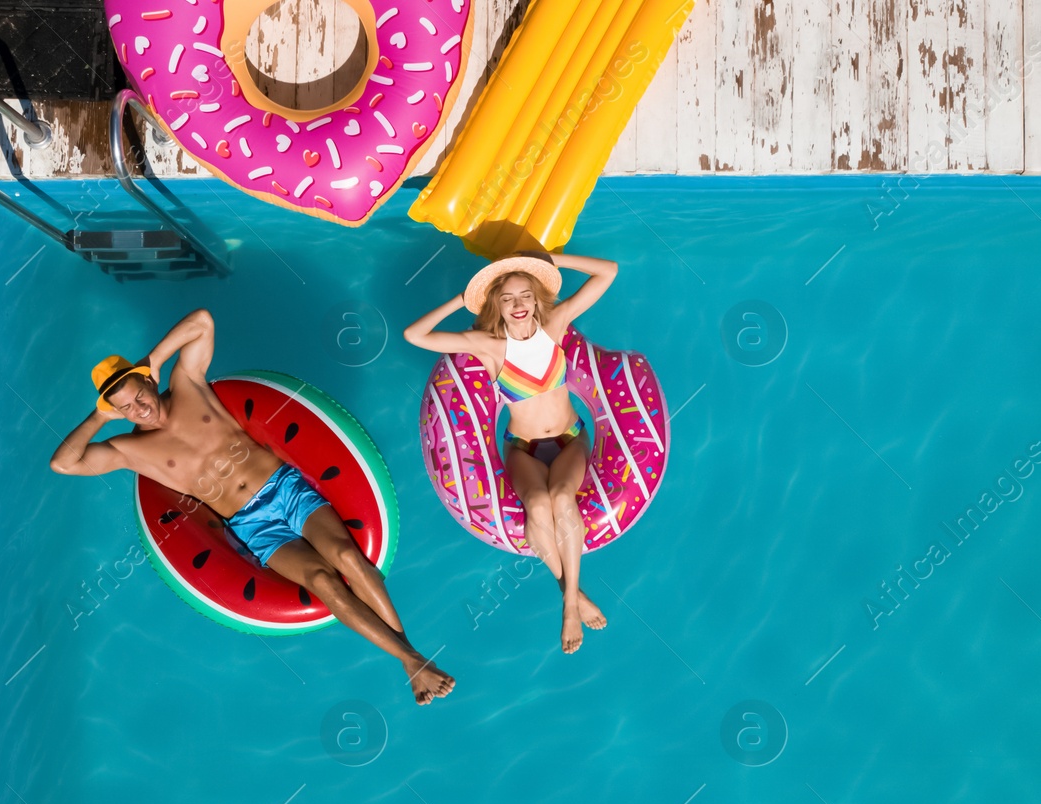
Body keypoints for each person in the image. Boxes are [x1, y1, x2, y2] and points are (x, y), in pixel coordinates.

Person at [49, 309, 454, 704]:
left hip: (284, 488)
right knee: (323, 582)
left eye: (140, 394)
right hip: (252, 524)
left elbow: (203, 320)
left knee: (346, 555)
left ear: (149, 382)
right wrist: (100, 416)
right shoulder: (129, 449)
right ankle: (411, 660)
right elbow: (63, 463)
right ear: (116, 413)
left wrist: (152, 359)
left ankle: (412, 661)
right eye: (127, 408)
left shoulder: (187, 383)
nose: (140, 408)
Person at [403, 250, 617, 653]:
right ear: (495, 306)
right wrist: (463, 299)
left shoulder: (554, 324)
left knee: (560, 497)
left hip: (571, 438)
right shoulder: (488, 346)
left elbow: (609, 271)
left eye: (525, 295)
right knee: (538, 503)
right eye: (507, 298)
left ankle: (570, 604)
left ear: (537, 299)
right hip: (522, 448)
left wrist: (549, 258)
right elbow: (415, 335)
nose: (518, 305)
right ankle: (572, 596)